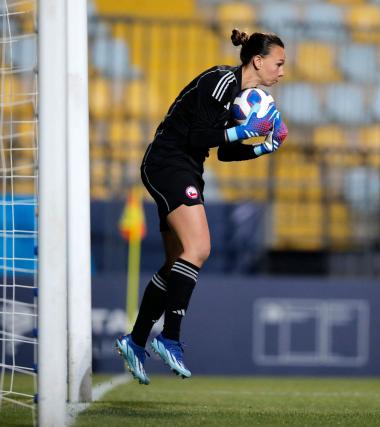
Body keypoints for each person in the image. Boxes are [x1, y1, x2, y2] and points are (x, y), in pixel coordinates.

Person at [115, 29, 288, 385]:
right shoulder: (221, 80)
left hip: (186, 167)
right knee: (200, 248)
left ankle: (134, 341)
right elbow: (197, 137)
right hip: (168, 161)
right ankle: (170, 337)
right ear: (258, 60)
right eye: (279, 63)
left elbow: (222, 151)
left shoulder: (241, 95)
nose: (282, 71)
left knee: (177, 259)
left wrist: (263, 146)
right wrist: (246, 131)